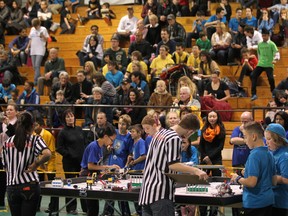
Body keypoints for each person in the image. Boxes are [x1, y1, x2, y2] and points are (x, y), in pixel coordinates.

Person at [139, 114, 208, 215]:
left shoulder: (160, 133)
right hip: (161, 193)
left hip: (146, 192)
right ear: (190, 131)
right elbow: (173, 165)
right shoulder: (174, 138)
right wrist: (196, 170)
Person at [1, 111, 51, 216]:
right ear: (32, 126)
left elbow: (5, 167)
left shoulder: (7, 143)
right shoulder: (35, 139)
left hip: (12, 186)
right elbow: (47, 154)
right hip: (29, 184)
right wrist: (36, 164)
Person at [231, 121, 277, 216]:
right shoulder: (269, 154)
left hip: (255, 203)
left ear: (253, 137)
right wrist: (247, 173)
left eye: (245, 136)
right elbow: (274, 181)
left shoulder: (254, 155)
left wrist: (237, 178)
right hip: (268, 201)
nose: (244, 140)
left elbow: (251, 182)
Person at [80, 124, 119, 216]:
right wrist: (108, 167)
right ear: (105, 136)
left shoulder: (100, 147)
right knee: (92, 208)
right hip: (87, 175)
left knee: (94, 207)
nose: (112, 143)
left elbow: (97, 165)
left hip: (92, 176)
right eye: (112, 140)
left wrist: (104, 170)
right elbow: (90, 166)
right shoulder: (94, 146)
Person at [56, 109, 86, 215]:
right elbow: (59, 148)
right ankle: (71, 208)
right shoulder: (62, 132)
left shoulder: (79, 129)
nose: (70, 118)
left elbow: (84, 144)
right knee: (71, 185)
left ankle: (85, 208)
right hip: (69, 163)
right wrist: (69, 154)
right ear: (65, 119)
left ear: (74, 117)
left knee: (83, 184)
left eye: (71, 116)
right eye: (67, 117)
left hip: (81, 162)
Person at [33, 117, 57, 213]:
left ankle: (53, 207)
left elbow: (51, 151)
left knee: (52, 186)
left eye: (36, 125)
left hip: (50, 164)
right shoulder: (33, 135)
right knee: (37, 187)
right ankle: (36, 206)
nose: (34, 127)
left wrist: (44, 162)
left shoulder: (48, 135)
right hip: (38, 165)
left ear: (41, 125)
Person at [264, 123, 288, 215]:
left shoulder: (284, 156)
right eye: (266, 139)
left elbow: (286, 179)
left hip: (280, 202)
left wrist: (266, 176)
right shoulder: (271, 153)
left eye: (269, 139)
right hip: (271, 199)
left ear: (278, 139)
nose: (266, 142)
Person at [250, 28, 279, 101]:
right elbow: (259, 54)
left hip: (269, 64)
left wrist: (275, 59)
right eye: (262, 36)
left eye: (265, 36)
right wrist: (259, 62)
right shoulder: (260, 44)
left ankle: (273, 92)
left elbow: (277, 54)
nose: (263, 37)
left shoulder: (272, 44)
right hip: (261, 63)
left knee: (271, 78)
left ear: (268, 35)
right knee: (253, 75)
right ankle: (253, 94)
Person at [0, 103, 17, 209]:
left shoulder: (17, 123)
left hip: (13, 154)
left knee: (10, 178)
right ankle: (1, 201)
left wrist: (9, 125)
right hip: (1, 153)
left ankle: (13, 201)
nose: (8, 111)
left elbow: (16, 135)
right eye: (7, 110)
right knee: (1, 178)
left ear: (15, 112)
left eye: (11, 110)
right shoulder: (1, 123)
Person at [25, 18, 49, 84]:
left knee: (37, 65)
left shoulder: (43, 29)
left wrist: (43, 36)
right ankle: (39, 77)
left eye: (36, 26)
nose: (35, 27)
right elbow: (30, 39)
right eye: (34, 26)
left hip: (40, 49)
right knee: (34, 66)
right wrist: (27, 47)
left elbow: (48, 39)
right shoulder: (32, 29)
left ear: (39, 24)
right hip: (33, 49)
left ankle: (35, 81)